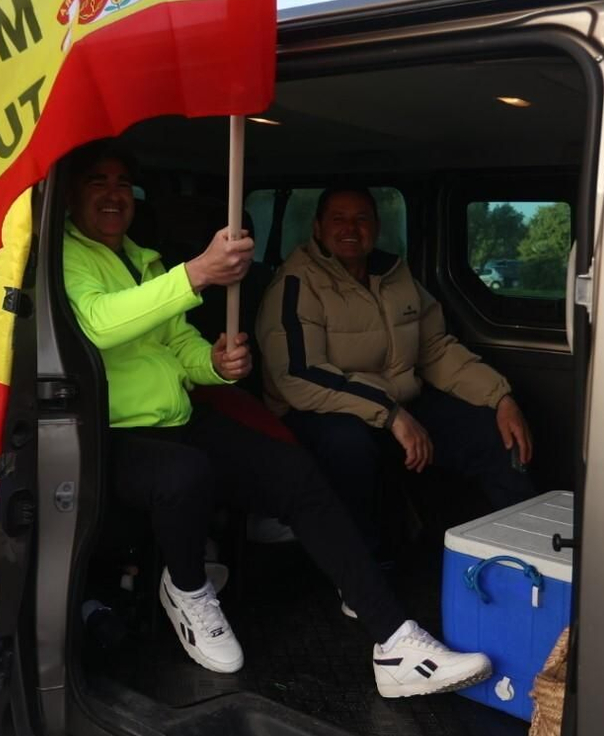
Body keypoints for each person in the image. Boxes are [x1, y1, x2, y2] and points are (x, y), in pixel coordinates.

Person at [62, 139, 490, 697]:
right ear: (73, 196)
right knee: (183, 475)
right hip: (106, 432)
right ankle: (186, 588)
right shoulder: (67, 258)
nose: (114, 194)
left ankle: (394, 640)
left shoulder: (142, 261)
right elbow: (96, 324)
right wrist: (195, 274)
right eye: (99, 182)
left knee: (295, 473)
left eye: (123, 184)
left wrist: (214, 363)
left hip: (174, 415)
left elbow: (176, 342)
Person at [254, 185, 536, 558]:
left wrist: (499, 396)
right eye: (338, 219)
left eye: (362, 218)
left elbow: (433, 347)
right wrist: (391, 414)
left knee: (492, 432)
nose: (351, 228)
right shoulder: (295, 283)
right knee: (349, 445)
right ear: (318, 228)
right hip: (320, 409)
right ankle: (362, 569)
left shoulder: (394, 275)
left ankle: (528, 556)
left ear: (376, 226)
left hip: (395, 402)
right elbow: (300, 376)